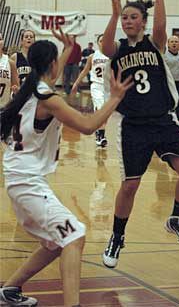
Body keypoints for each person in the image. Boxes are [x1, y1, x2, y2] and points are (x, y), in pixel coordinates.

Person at [0, 28, 133, 307]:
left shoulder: (30, 90)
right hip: (27, 182)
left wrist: (65, 49)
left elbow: (50, 74)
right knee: (75, 234)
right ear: (50, 65)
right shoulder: (48, 98)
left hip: (19, 178)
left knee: (55, 242)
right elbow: (87, 126)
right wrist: (116, 97)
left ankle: (10, 289)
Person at [101, 0, 179, 270]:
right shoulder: (117, 49)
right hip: (133, 125)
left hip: (163, 120)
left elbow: (162, 26)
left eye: (133, 17)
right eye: (126, 18)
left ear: (142, 21)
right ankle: (117, 237)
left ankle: (176, 219)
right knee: (130, 186)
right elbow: (105, 47)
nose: (129, 21)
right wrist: (114, 14)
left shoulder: (154, 44)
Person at [72, 34, 110, 147]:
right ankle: (101, 136)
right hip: (96, 86)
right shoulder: (92, 56)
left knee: (105, 114)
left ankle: (99, 132)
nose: (103, 42)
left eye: (105, 40)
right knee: (100, 111)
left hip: (108, 88)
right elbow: (84, 71)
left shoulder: (112, 56)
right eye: (101, 40)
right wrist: (76, 83)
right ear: (98, 43)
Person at [0, 32, 19, 108]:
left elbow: (16, 86)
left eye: (0, 39)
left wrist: (16, 90)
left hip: (3, 108)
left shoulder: (10, 62)